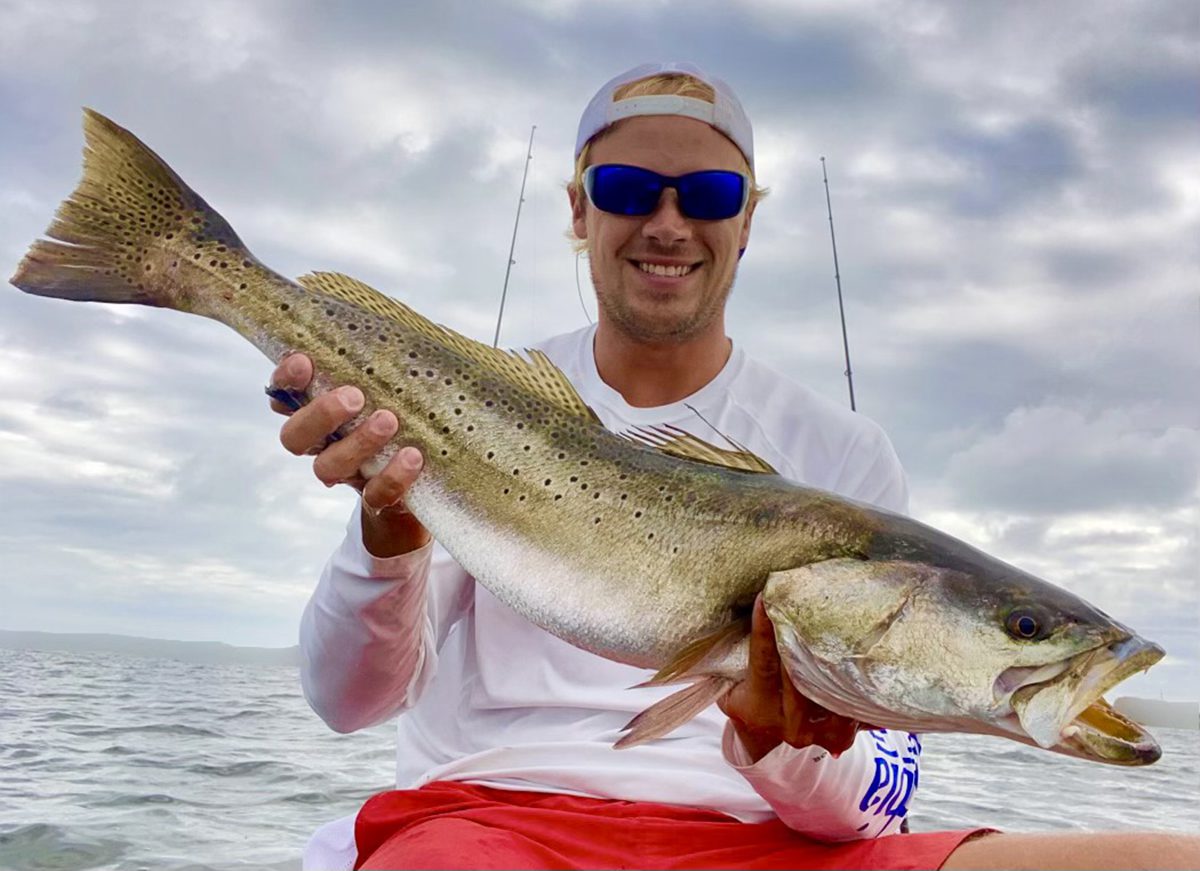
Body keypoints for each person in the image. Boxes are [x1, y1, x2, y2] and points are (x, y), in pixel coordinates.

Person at [273, 63, 1200, 871]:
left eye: (709, 195)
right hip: (491, 820)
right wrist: (387, 536)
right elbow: (348, 702)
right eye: (631, 188)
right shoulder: (477, 417)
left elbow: (864, 812)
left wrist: (773, 735)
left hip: (768, 840)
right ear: (578, 208)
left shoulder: (844, 453)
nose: (669, 223)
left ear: (747, 220)